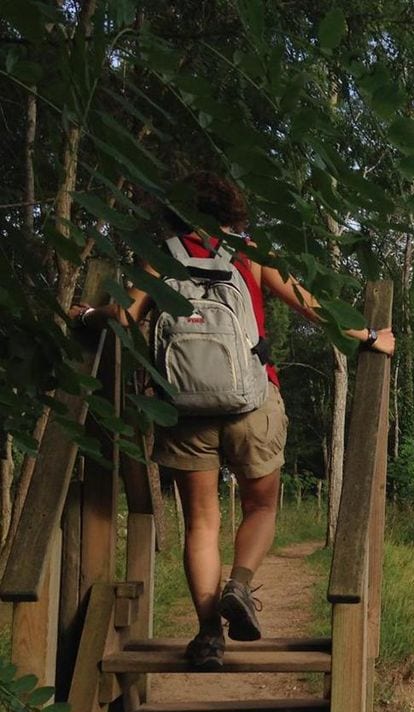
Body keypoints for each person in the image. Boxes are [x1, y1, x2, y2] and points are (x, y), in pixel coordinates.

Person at [69, 172, 395, 669]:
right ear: (233, 212)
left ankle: (207, 638)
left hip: (183, 407)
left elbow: (126, 316)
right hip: (252, 401)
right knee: (261, 508)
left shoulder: (163, 255)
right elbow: (311, 308)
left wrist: (88, 314)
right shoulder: (249, 252)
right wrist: (369, 335)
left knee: (201, 522)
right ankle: (239, 586)